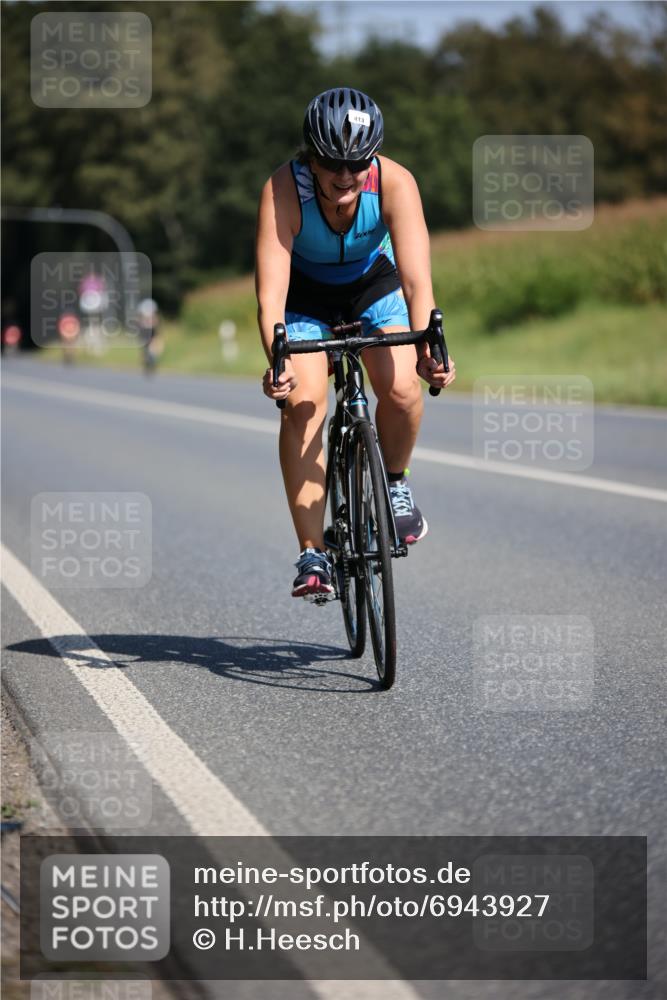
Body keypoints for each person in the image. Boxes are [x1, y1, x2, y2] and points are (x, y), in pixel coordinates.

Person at [255, 87, 456, 599]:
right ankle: (311, 551)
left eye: (357, 163)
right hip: (306, 298)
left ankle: (394, 482)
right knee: (301, 406)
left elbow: (416, 282)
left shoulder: (395, 183)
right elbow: (271, 295)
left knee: (405, 389)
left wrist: (431, 348)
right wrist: (276, 361)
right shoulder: (283, 189)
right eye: (331, 163)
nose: (345, 177)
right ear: (311, 157)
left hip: (375, 286)